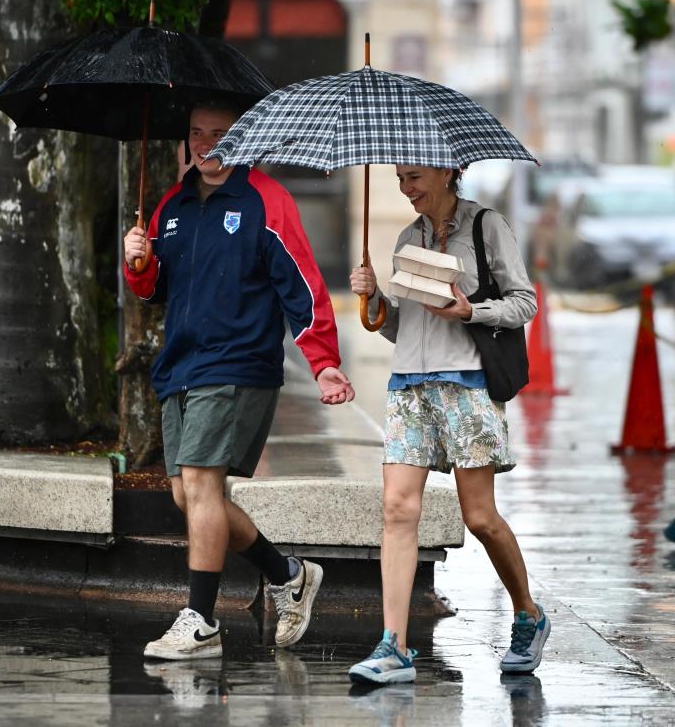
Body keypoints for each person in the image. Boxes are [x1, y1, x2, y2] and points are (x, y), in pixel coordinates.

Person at [124, 100, 356, 660]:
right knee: (187, 493)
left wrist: (323, 361)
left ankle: (201, 620)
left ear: (245, 137)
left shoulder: (265, 200)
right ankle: (289, 574)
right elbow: (156, 291)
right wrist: (138, 265)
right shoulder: (171, 207)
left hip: (238, 363)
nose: (207, 144)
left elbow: (301, 284)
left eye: (220, 134)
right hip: (179, 365)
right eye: (197, 134)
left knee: (201, 486)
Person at [346, 164, 547, 684]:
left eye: (414, 178)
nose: (406, 188)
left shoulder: (486, 226)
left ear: (446, 172)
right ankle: (394, 647)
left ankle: (528, 612)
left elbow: (525, 302)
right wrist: (373, 299)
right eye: (399, 180)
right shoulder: (406, 238)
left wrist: (470, 312)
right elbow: (400, 328)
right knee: (396, 508)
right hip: (408, 385)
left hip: (469, 383)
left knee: (479, 516)